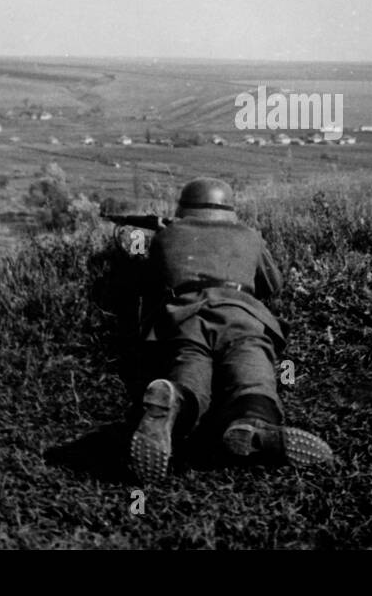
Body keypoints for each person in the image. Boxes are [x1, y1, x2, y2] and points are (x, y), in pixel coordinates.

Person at [128, 178, 333, 482]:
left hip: (186, 319)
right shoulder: (249, 235)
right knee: (253, 375)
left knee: (189, 371)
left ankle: (174, 403)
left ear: (184, 207)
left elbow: (148, 284)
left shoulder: (166, 236)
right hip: (242, 317)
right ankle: (252, 422)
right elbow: (272, 285)